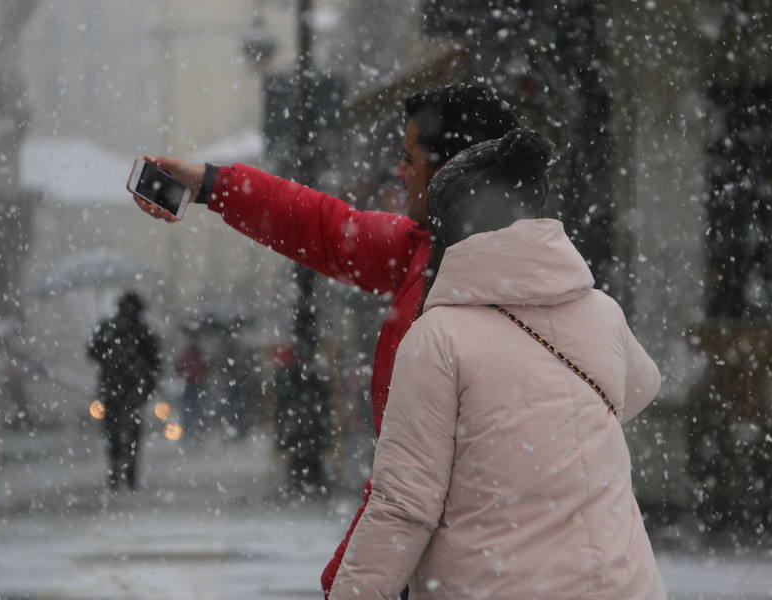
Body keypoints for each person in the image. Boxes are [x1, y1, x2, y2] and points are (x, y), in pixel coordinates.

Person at [132, 84, 519, 594]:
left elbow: (410, 492)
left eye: (409, 159)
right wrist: (210, 185)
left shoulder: (483, 278)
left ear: (452, 173)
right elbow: (333, 230)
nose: (398, 173)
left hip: (477, 566)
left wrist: (349, 585)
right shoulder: (429, 253)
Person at [329, 129, 666, 599]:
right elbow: (637, 390)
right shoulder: (602, 312)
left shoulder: (438, 338)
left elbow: (404, 504)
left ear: (451, 233)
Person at [87, 291, 161, 492]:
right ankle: (129, 473)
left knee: (113, 432)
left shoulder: (108, 327)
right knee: (131, 432)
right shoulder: (142, 331)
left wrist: (105, 356)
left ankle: (115, 470)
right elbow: (155, 362)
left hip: (112, 388)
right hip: (132, 389)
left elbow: (92, 352)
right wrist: (147, 385)